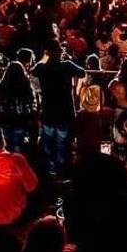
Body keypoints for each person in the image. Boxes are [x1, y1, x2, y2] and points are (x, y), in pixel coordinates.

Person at [33, 43, 86, 175]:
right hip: (64, 112)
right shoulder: (67, 66)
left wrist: (44, 58)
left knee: (48, 144)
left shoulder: (42, 67)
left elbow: (33, 70)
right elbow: (82, 72)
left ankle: (51, 170)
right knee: (62, 143)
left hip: (48, 111)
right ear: (60, 52)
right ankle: (61, 169)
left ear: (47, 53)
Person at [0, 60, 39, 154]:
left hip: (4, 121)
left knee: (5, 147)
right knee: (17, 147)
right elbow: (32, 102)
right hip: (20, 121)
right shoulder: (25, 85)